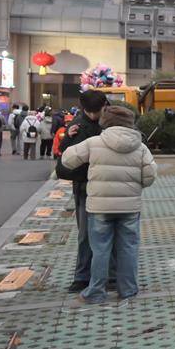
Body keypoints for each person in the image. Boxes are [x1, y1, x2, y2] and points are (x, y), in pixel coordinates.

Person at [60, 106, 157, 304]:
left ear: (106, 122)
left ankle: (95, 291)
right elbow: (149, 178)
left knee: (100, 249)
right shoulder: (140, 147)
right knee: (128, 248)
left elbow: (68, 160)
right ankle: (128, 289)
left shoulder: (94, 142)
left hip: (99, 207)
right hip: (129, 207)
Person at [57, 90, 114, 293]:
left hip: (107, 186)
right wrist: (68, 140)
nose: (92, 116)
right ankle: (82, 277)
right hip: (84, 187)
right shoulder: (77, 125)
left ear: (104, 106)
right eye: (89, 112)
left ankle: (112, 276)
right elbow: (65, 156)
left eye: (95, 111)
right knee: (85, 234)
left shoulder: (112, 123)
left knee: (110, 231)